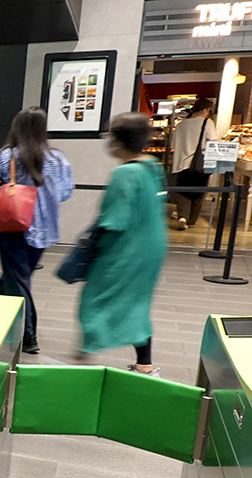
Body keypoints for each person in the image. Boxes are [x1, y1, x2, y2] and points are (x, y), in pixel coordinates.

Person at [0, 107, 74, 355]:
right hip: (45, 231)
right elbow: (65, 192)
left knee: (18, 279)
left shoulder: (7, 156)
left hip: (14, 226)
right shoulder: (58, 159)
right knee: (19, 276)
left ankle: (29, 336)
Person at [77, 112, 167, 376]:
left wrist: (91, 249)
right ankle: (145, 365)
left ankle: (84, 355)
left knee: (94, 298)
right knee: (138, 303)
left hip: (126, 249)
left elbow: (113, 221)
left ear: (117, 142)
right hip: (152, 247)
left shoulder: (124, 174)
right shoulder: (153, 165)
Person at [169, 98, 216, 230]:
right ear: (206, 109)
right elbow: (213, 141)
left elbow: (173, 145)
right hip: (199, 164)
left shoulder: (181, 125)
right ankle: (191, 221)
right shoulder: (207, 123)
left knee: (182, 192)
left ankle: (182, 217)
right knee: (198, 193)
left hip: (180, 164)